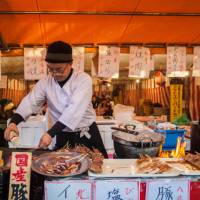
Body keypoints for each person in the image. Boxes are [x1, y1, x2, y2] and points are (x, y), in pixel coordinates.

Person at [4, 41, 108, 158]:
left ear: (70, 64)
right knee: (60, 170)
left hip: (87, 134)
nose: (54, 74)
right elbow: (30, 102)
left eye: (59, 69)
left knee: (96, 168)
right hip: (62, 134)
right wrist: (13, 122)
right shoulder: (45, 82)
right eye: (50, 69)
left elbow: (73, 110)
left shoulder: (83, 80)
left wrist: (50, 133)